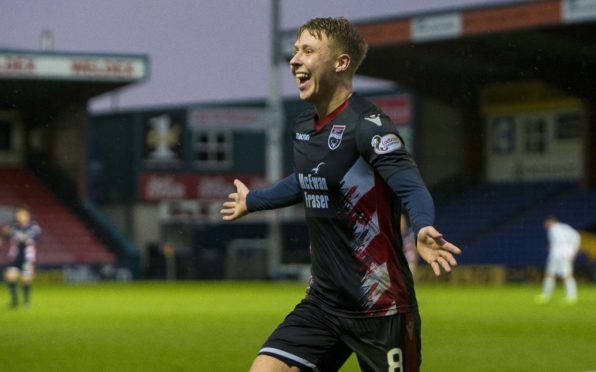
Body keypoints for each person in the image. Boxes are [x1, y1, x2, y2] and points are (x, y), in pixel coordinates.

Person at [221, 17, 461, 371]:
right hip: (324, 303)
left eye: (308, 50)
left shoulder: (368, 126)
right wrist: (252, 201)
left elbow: (410, 184)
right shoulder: (305, 126)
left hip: (381, 308)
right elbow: (307, 179)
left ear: (341, 62)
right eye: (294, 51)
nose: (294, 60)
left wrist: (423, 226)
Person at [1, 206, 41, 308]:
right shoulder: (14, 226)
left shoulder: (34, 227)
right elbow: (5, 236)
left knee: (25, 279)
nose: (20, 217)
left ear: (27, 215)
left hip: (27, 257)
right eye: (19, 215)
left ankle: (26, 302)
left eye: (22, 214)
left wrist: (13, 232)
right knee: (10, 276)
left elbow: (26, 238)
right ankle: (14, 301)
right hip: (15, 256)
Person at [535, 216, 581, 305]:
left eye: (546, 223)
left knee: (563, 275)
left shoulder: (554, 229)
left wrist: (573, 250)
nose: (545, 226)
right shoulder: (564, 227)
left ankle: (570, 297)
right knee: (553, 274)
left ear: (551, 222)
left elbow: (574, 236)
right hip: (561, 254)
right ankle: (547, 295)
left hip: (560, 255)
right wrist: (573, 249)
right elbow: (576, 236)